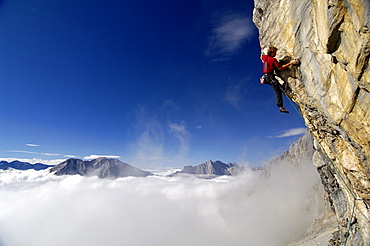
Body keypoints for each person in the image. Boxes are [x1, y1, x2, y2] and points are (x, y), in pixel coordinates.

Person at [260, 46, 298, 113]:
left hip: (266, 77)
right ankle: (281, 107)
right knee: (277, 91)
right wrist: (291, 63)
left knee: (277, 88)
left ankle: (281, 106)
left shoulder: (265, 57)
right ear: (271, 53)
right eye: (274, 52)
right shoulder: (273, 60)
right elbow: (280, 68)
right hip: (270, 77)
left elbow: (261, 57)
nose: (275, 54)